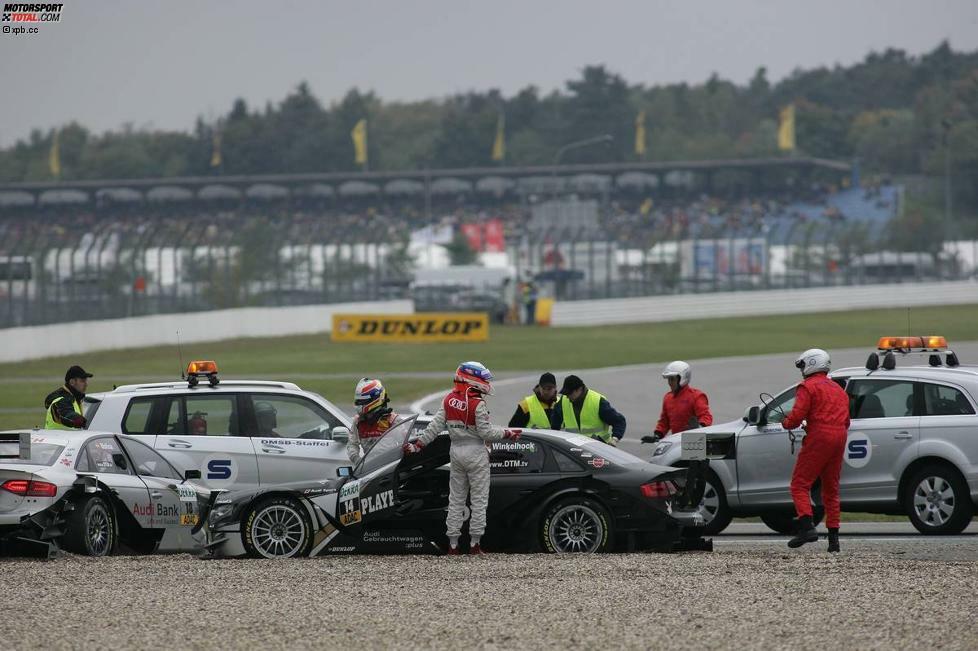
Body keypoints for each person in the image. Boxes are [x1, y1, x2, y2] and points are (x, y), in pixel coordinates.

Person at [403, 361, 521, 555]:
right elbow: (486, 433)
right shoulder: (478, 403)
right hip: (476, 453)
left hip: (456, 453)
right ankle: (475, 545)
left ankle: (453, 546)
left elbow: (433, 428)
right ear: (472, 379)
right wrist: (507, 433)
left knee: (456, 500)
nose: (486, 383)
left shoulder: (448, 399)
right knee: (479, 501)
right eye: (483, 379)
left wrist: (417, 446)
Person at [781, 348, 850, 552]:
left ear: (811, 363)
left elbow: (796, 416)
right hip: (840, 437)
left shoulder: (807, 387)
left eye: (802, 365)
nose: (801, 370)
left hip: (820, 436)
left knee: (799, 484)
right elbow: (846, 420)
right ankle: (833, 540)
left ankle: (807, 527)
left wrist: (786, 423)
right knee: (831, 489)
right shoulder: (838, 389)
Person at [550, 374, 626, 445]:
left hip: (598, 449)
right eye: (566, 394)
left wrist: (614, 440)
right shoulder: (564, 401)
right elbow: (555, 422)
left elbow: (619, 421)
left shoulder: (597, 402)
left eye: (569, 393)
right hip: (573, 449)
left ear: (579, 389)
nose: (567, 397)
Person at [653, 361, 713, 439]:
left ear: (682, 378)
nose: (669, 383)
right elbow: (664, 422)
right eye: (668, 379)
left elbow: (706, 416)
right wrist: (657, 435)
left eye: (672, 379)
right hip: (676, 440)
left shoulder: (696, 396)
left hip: (694, 441)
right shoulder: (668, 398)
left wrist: (699, 427)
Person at [347, 378, 399, 465]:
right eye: (358, 401)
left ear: (375, 399)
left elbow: (406, 443)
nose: (359, 403)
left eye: (363, 400)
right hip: (370, 469)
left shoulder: (392, 419)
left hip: (390, 468)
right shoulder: (358, 421)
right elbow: (352, 444)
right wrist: (358, 460)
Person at [44, 365, 92, 430]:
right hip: (58, 439)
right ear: (72, 382)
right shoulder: (62, 399)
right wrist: (77, 419)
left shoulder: (76, 399)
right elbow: (66, 412)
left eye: (86, 381)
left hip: (67, 439)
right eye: (82, 381)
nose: (86, 384)